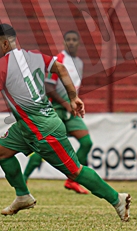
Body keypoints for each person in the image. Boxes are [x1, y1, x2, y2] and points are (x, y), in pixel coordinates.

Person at [0, 23, 131, 221]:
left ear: (4, 44)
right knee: (0, 152)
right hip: (26, 126)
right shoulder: (35, 56)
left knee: (75, 171)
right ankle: (23, 196)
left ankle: (117, 199)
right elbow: (60, 68)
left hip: (42, 128)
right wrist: (73, 97)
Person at [23, 31, 93, 194]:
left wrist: (73, 102)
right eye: (68, 40)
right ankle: (23, 179)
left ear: (79, 43)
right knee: (46, 147)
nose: (71, 42)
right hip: (56, 109)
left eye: (74, 39)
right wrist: (65, 103)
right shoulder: (58, 60)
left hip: (70, 110)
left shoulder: (79, 63)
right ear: (63, 42)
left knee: (86, 142)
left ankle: (71, 181)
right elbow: (48, 86)